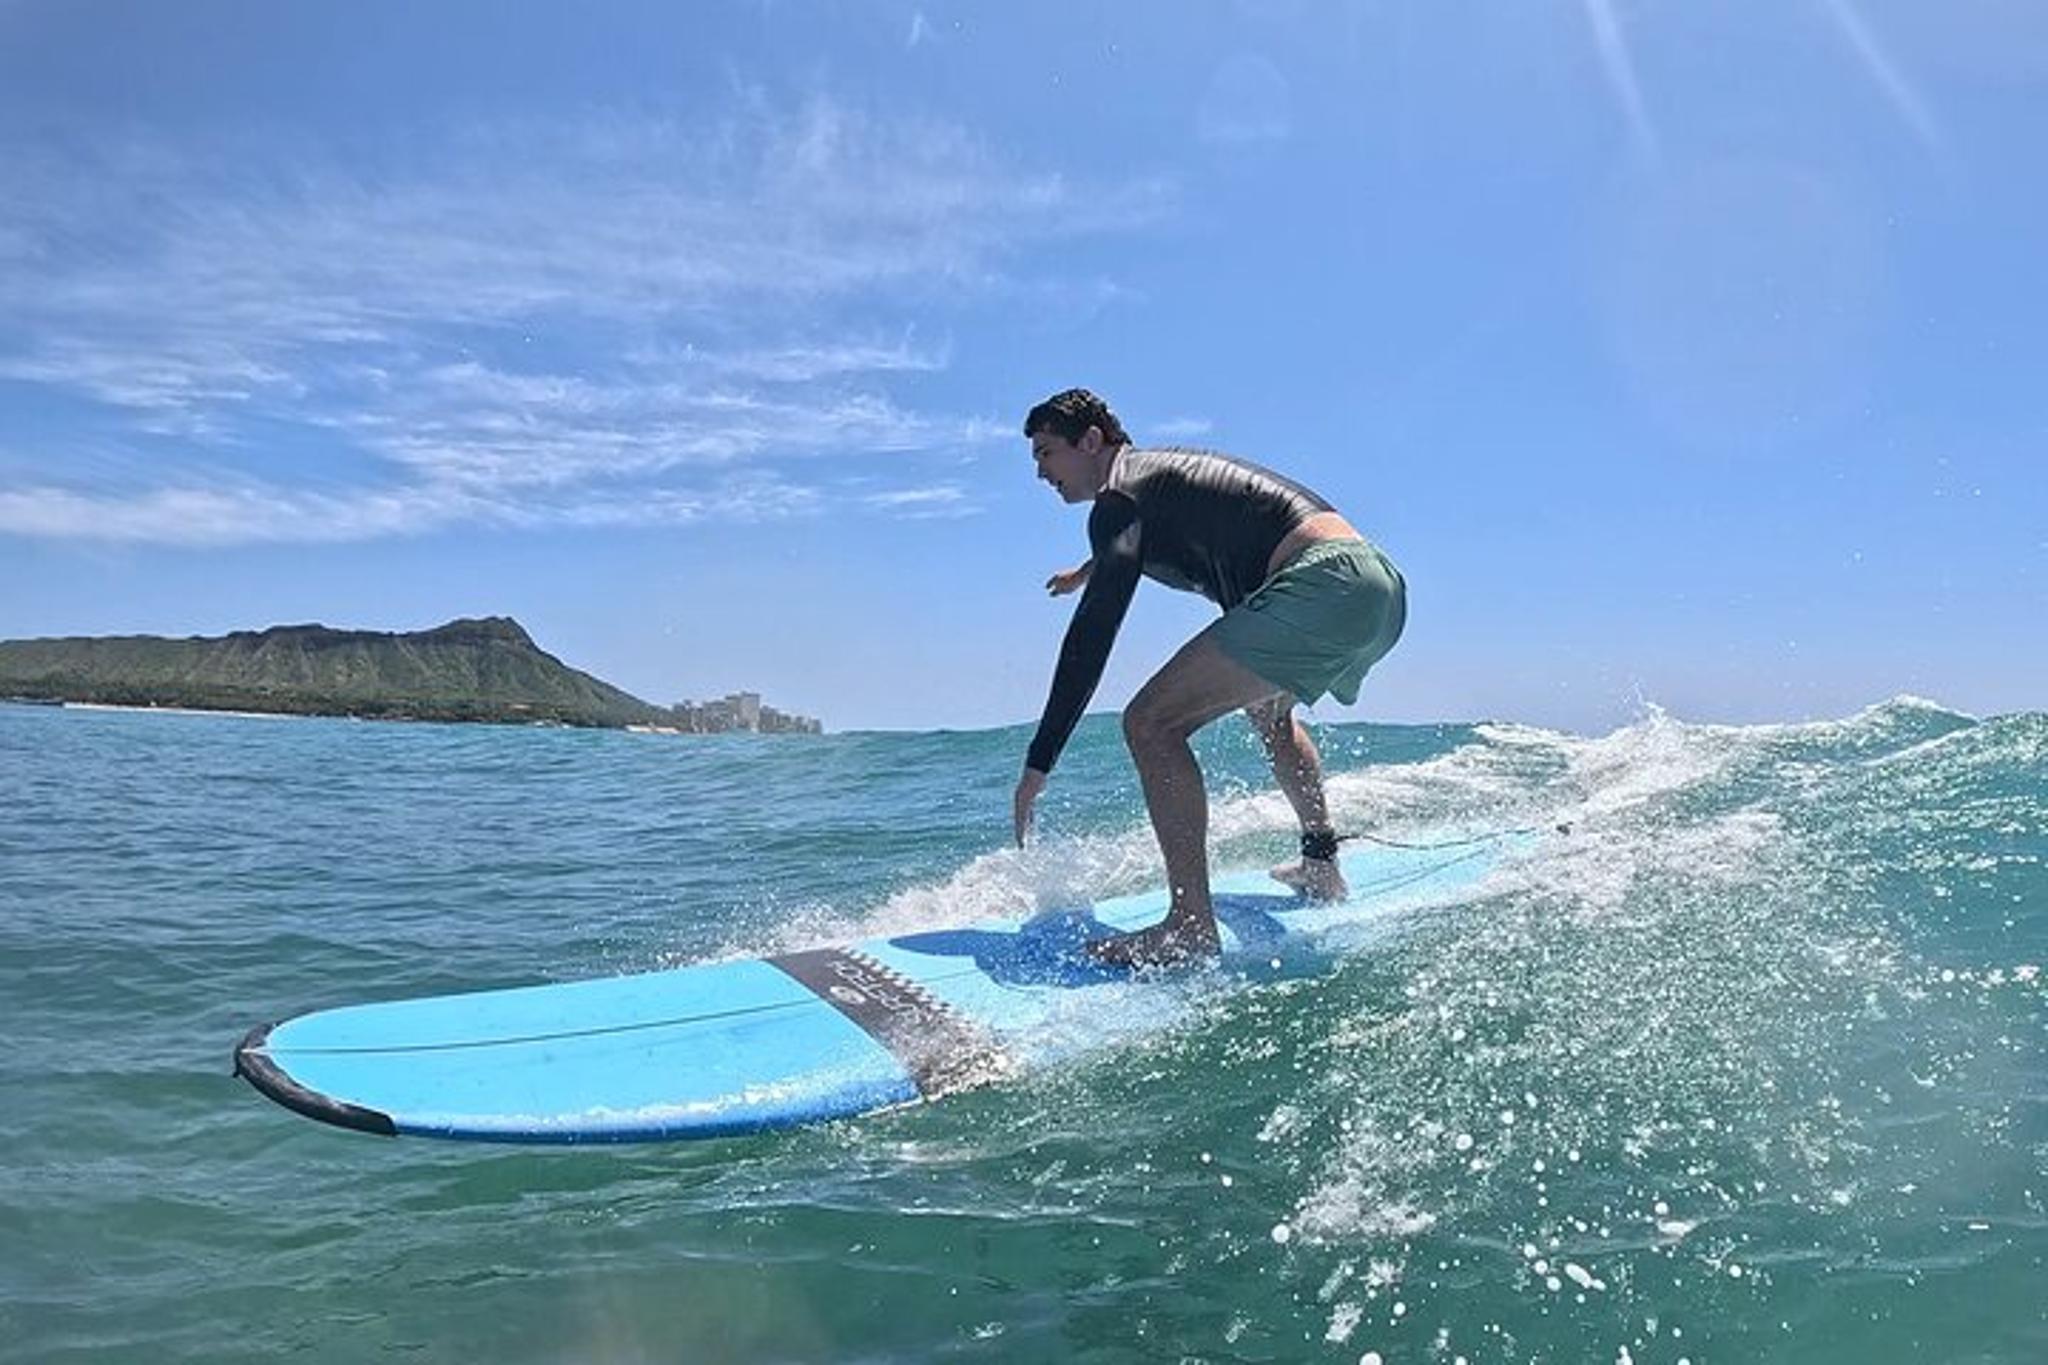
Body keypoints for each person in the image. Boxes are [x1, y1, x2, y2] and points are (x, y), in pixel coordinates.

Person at [1011, 388, 1407, 968]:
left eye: (1046, 453)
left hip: (1320, 587)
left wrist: (1038, 762)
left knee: (1151, 723)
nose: (1040, 471)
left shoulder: (1119, 497)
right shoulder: (1148, 487)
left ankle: (1189, 924)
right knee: (1270, 716)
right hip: (1375, 587)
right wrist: (1089, 571)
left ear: (1091, 441)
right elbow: (1171, 529)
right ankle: (1321, 864)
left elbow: (1092, 637)